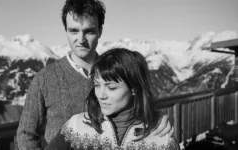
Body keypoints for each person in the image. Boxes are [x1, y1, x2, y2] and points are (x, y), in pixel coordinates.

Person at [17, 0, 173, 149]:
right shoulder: (44, 78)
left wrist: (156, 118)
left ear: (100, 30)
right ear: (66, 31)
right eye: (74, 31)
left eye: (89, 31)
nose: (81, 39)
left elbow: (139, 98)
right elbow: (25, 134)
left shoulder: (116, 72)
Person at [45, 48, 180, 150]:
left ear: (134, 88)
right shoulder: (76, 127)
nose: (101, 95)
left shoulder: (162, 137)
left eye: (111, 88)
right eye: (97, 85)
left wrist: (155, 118)